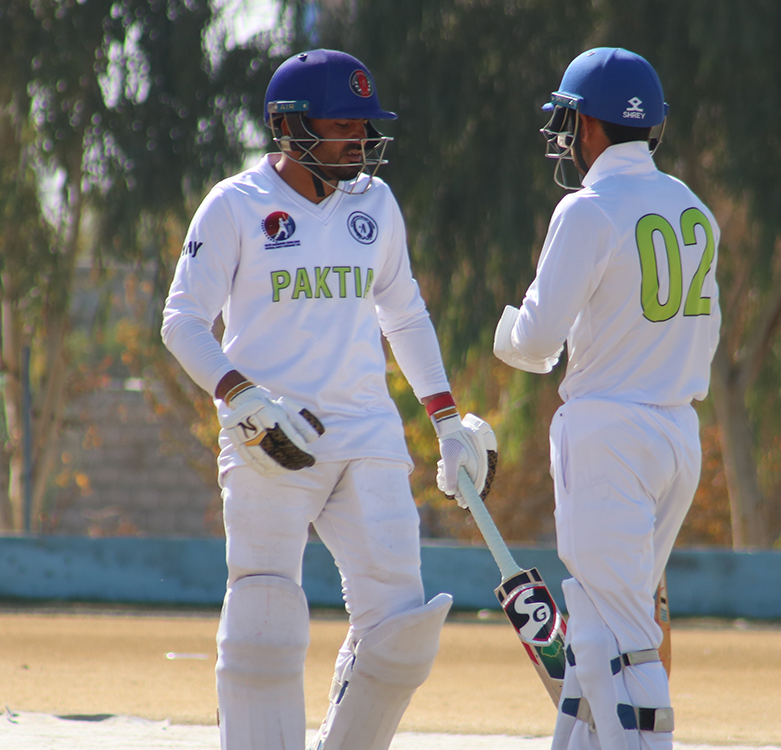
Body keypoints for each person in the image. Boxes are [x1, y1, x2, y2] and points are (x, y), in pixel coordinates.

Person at [160, 49, 495, 750]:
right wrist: (242, 398)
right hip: (269, 435)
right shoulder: (236, 205)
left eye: (364, 125)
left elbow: (404, 315)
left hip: (366, 429)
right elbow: (183, 321)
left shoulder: (374, 202)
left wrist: (446, 422)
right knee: (264, 621)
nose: (360, 140)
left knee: (402, 627)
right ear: (291, 126)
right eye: (344, 124)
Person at [492, 47, 721, 750]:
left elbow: (534, 345)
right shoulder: (694, 208)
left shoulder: (586, 209)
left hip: (609, 437)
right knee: (595, 630)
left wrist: (502, 330)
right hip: (677, 435)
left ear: (589, 126)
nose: (566, 137)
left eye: (569, 121)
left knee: (622, 642)